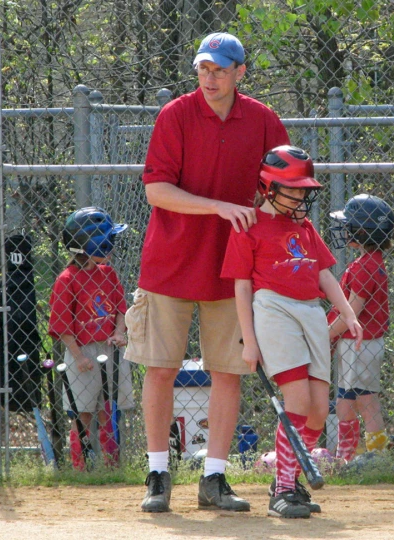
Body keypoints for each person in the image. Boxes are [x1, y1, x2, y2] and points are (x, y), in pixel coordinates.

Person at [125, 32, 290, 513]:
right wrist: (220, 207)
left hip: (232, 268)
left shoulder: (262, 120)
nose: (210, 78)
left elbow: (281, 186)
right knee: (160, 369)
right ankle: (158, 472)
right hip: (170, 262)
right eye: (203, 69)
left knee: (228, 372)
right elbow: (157, 190)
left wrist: (264, 217)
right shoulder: (175, 114)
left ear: (240, 72)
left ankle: (214, 478)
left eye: (219, 69)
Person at [221, 145, 363, 518]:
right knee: (297, 401)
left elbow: (324, 274)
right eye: (293, 189)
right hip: (273, 309)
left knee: (317, 412)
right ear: (269, 187)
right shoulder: (249, 224)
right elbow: (241, 287)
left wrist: (348, 313)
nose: (301, 197)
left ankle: (290, 479)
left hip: (311, 313)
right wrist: (250, 342)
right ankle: (282, 490)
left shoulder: (305, 227)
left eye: (304, 190)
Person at [48, 207, 135, 470]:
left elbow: (121, 308)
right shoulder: (67, 279)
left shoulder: (107, 273)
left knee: (110, 411)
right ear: (92, 244)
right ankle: (81, 469)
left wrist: (120, 332)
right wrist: (78, 357)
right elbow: (62, 326)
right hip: (81, 352)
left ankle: (111, 467)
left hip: (110, 349)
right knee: (82, 413)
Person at [327, 194, 394, 462]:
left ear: (363, 231)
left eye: (350, 225)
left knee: (351, 403)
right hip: (361, 345)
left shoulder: (366, 266)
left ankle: (351, 457)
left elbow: (351, 312)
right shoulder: (370, 261)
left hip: (360, 345)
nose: (345, 230)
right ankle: (367, 456)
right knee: (363, 401)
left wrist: (325, 335)